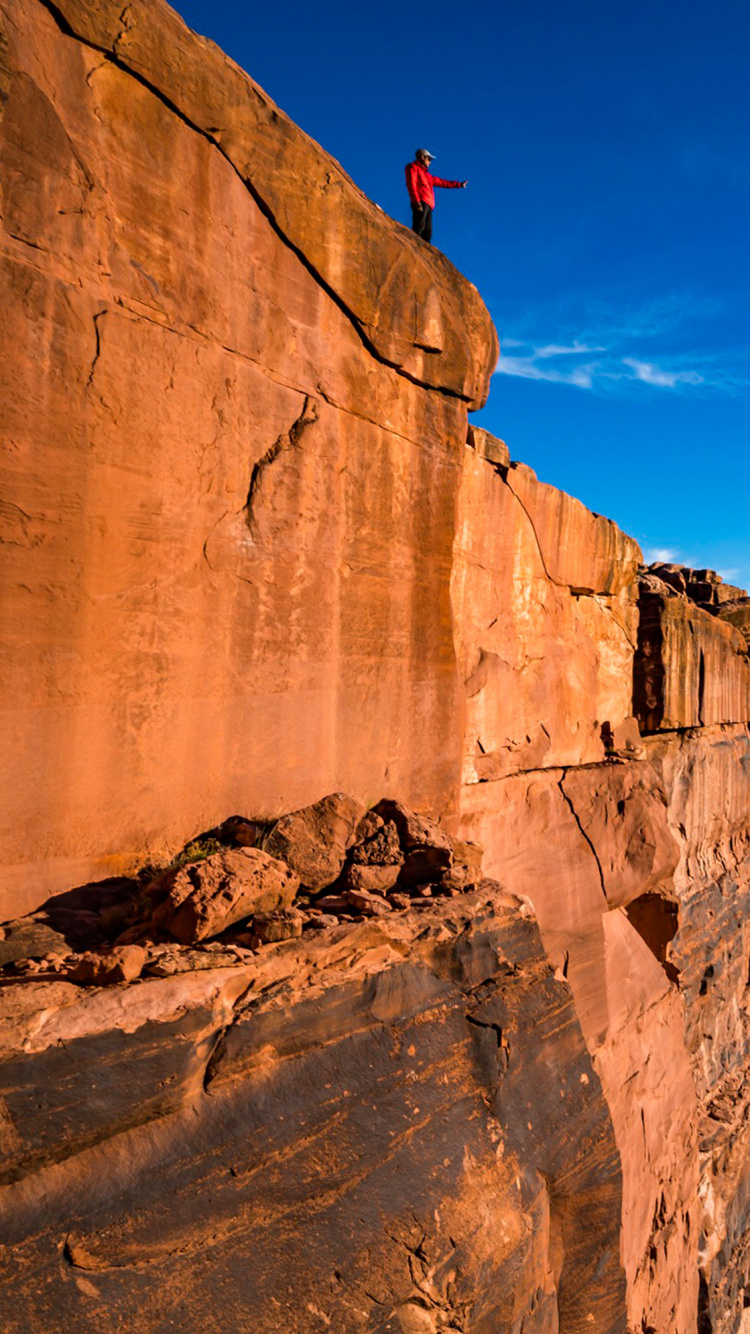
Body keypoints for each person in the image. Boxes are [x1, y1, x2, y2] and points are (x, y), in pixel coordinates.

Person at [405, 148, 467, 244]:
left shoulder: (428, 176)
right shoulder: (412, 167)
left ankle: (423, 254)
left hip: (429, 204)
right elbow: (411, 184)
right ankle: (412, 248)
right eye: (429, 159)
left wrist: (459, 184)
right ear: (422, 157)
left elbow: (442, 182)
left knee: (428, 233)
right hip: (421, 202)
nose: (430, 162)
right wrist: (416, 201)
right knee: (419, 228)